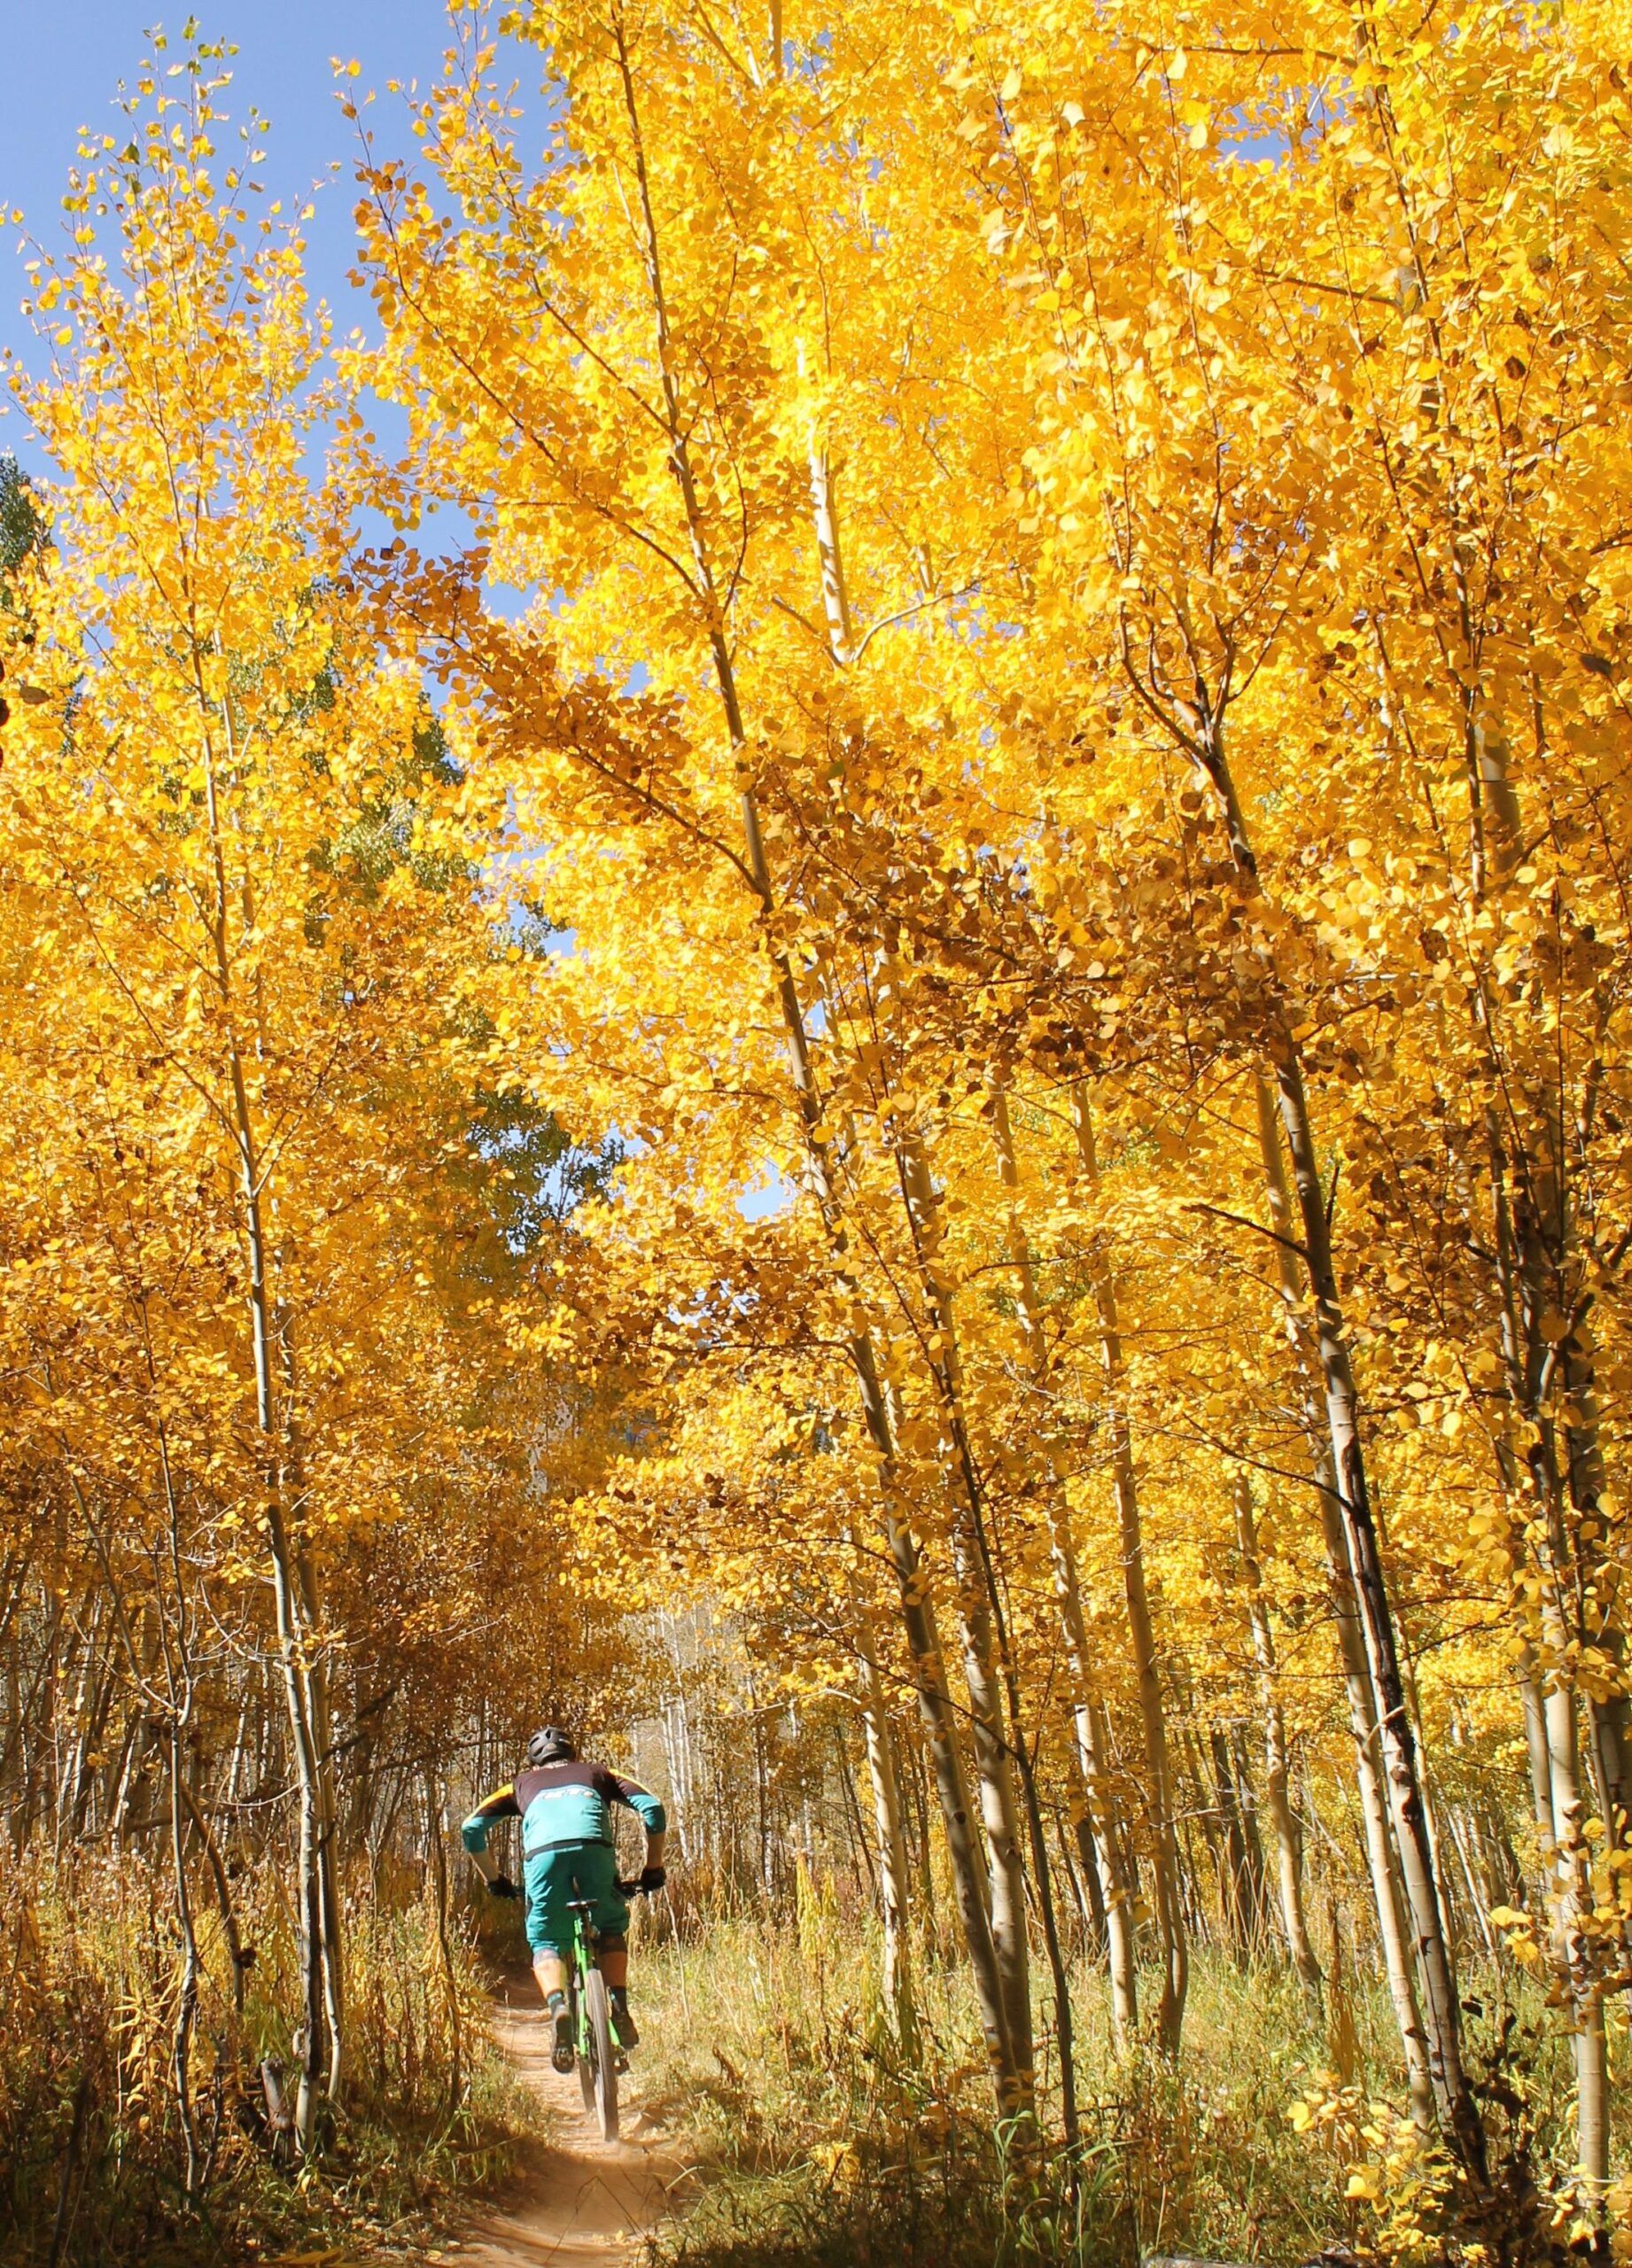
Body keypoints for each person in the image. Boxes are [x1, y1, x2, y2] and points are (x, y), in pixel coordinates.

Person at [462, 1726, 667, 2070]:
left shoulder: (520, 1785)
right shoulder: (599, 1772)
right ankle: (618, 2005)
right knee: (611, 1925)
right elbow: (654, 1808)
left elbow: (471, 1827)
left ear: (535, 1761)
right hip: (593, 1851)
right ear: (572, 1754)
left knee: (545, 1938)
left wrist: (494, 1880)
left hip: (544, 1858)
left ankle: (558, 2007)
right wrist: (653, 1868)